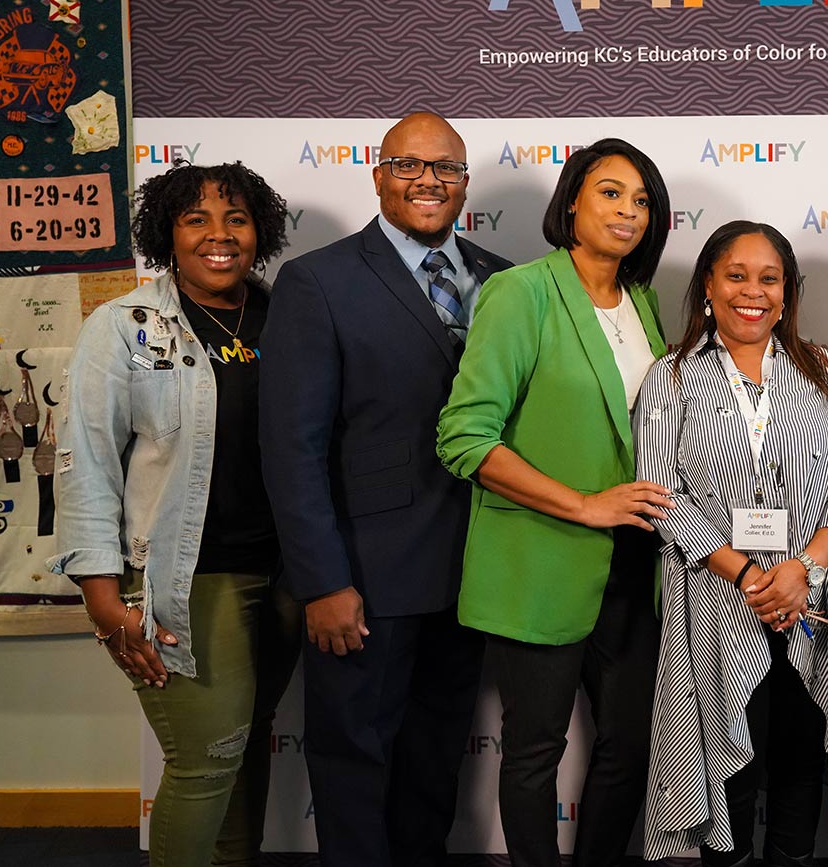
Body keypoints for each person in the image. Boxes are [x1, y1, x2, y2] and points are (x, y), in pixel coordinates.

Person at [259, 113, 512, 866]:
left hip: (474, 573)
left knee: (435, 758)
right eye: (409, 164)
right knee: (353, 763)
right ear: (377, 175)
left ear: (465, 184)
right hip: (364, 576)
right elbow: (291, 448)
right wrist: (323, 581)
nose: (429, 180)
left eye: (446, 168)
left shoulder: (503, 278)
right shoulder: (318, 280)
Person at [51, 162, 299, 866]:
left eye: (236, 219)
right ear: (167, 231)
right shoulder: (123, 328)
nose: (219, 236)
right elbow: (86, 463)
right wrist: (102, 595)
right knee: (208, 757)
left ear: (261, 231)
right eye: (197, 219)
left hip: (284, 577)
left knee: (246, 744)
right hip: (184, 581)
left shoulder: (288, 316)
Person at [436, 139, 674, 867]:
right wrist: (582, 503)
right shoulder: (522, 292)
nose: (627, 212)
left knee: (632, 742)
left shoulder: (644, 301)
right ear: (572, 200)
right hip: (541, 558)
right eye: (610, 193)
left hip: (636, 565)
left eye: (641, 201)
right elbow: (464, 438)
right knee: (536, 749)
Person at [635, 220, 828, 866]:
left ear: (787, 292)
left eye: (769, 277)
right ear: (708, 286)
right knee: (731, 762)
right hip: (721, 601)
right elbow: (661, 495)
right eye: (736, 275)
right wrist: (753, 576)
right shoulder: (670, 377)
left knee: (800, 759)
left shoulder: (824, 369)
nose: (753, 291)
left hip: (816, 599)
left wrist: (804, 567)